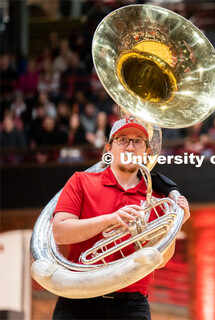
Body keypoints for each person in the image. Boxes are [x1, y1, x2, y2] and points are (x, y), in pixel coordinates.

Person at [51, 117, 190, 319]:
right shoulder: (81, 181)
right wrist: (110, 219)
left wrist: (174, 227)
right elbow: (60, 233)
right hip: (78, 299)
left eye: (138, 141)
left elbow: (159, 261)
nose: (130, 147)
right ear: (109, 148)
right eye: (122, 140)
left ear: (147, 152)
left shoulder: (160, 199)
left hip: (131, 305)